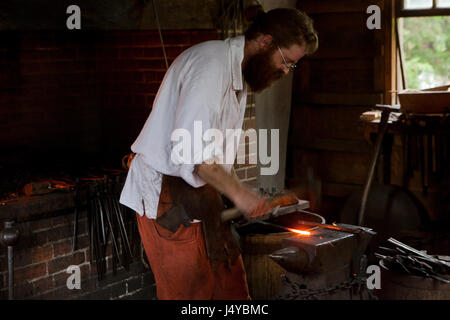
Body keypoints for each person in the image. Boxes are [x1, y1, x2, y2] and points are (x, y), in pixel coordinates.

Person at [119, 8, 318, 300]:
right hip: (167, 197)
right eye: (287, 61)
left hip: (203, 196)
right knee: (189, 297)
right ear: (265, 42)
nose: (286, 70)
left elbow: (215, 153)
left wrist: (239, 189)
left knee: (231, 288)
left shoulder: (238, 77)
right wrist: (241, 195)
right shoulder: (210, 68)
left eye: (293, 65)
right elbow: (195, 154)